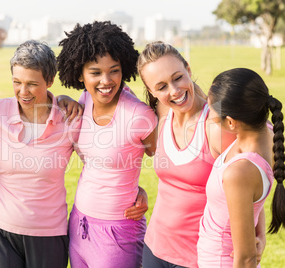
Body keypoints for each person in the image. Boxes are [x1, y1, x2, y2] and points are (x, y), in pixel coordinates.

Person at [136, 41, 266, 267]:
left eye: (177, 77)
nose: (174, 91)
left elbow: (250, 183)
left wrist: (260, 235)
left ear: (188, 68)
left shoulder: (216, 126)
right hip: (154, 248)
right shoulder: (163, 112)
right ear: (151, 91)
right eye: (162, 86)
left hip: (196, 257)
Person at [57, 21, 158, 267]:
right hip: (80, 222)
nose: (106, 80)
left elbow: (168, 164)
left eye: (114, 70)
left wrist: (140, 192)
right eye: (95, 72)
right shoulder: (82, 101)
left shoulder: (139, 115)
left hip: (119, 231)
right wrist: (60, 98)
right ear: (80, 74)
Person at [0, 40, 83, 268]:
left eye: (32, 84)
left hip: (48, 233)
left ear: (50, 81)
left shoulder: (71, 120)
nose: (22, 92)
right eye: (17, 82)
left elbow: (101, 163)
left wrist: (137, 190)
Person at [197, 68, 285, 267]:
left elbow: (245, 259)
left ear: (230, 122)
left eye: (211, 110)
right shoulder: (267, 131)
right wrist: (260, 237)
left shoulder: (240, 172)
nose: (208, 113)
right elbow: (254, 202)